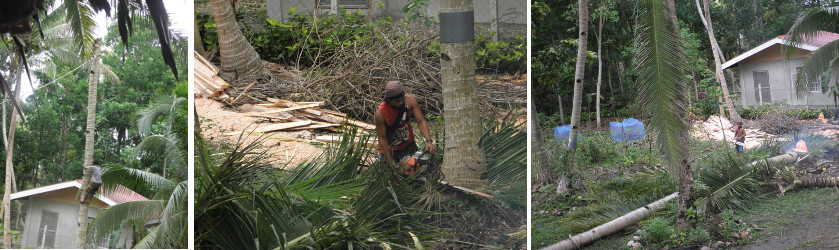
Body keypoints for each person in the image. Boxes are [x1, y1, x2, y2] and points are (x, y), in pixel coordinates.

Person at [375, 81, 435, 171]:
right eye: (396, 101)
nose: (400, 103)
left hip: (408, 146)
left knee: (415, 174)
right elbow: (382, 138)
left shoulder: (410, 100)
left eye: (402, 99)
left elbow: (420, 121)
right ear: (388, 99)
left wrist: (429, 141)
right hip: (390, 150)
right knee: (389, 178)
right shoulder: (381, 113)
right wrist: (390, 161)